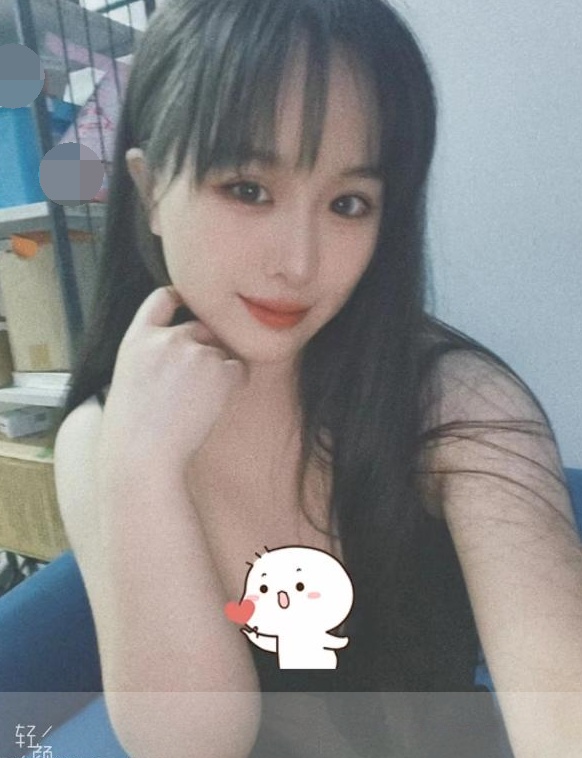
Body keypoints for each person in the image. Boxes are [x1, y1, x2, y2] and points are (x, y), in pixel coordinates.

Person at [52, 0, 582, 756]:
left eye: (347, 204)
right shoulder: (100, 436)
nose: (299, 263)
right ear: (149, 190)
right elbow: (191, 746)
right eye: (247, 188)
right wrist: (141, 469)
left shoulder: (452, 403)